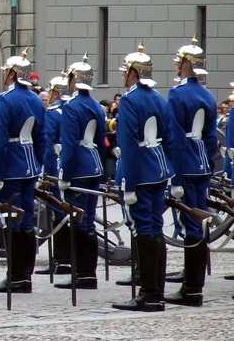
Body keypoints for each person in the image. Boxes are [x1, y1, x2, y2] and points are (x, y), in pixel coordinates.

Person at [112, 44, 183, 313]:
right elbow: (170, 138)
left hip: (139, 172)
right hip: (158, 170)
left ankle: (148, 293)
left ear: (133, 73)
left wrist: (128, 184)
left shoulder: (131, 100)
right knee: (155, 228)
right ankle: (158, 291)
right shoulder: (157, 98)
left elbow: (129, 144)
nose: (124, 77)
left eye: (125, 72)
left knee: (144, 229)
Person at [0, 49, 46, 295]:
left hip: (10, 167)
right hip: (30, 165)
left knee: (12, 219)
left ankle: (15, 275)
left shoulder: (6, 100)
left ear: (11, 74)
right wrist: (38, 164)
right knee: (27, 219)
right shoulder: (34, 99)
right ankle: (25, 276)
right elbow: (41, 138)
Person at [163, 39, 217, 307]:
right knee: (200, 221)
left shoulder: (176, 94)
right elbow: (209, 137)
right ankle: (195, 284)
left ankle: (191, 288)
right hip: (201, 164)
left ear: (185, 64)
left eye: (178, 61)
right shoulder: (207, 94)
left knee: (190, 224)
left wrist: (174, 177)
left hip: (184, 163)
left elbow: (174, 138)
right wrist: (205, 163)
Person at [56, 56, 108, 290]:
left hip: (78, 168)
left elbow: (69, 145)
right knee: (88, 220)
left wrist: (64, 175)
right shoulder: (96, 105)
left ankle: (82, 274)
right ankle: (88, 273)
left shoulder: (71, 106)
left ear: (74, 79)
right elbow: (100, 140)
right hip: (94, 164)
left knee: (78, 220)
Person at [37, 71, 71, 277]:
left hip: (57, 169)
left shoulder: (52, 113)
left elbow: (47, 145)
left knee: (59, 213)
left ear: (56, 94)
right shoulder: (74, 110)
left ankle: (61, 260)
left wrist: (45, 173)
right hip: (77, 168)